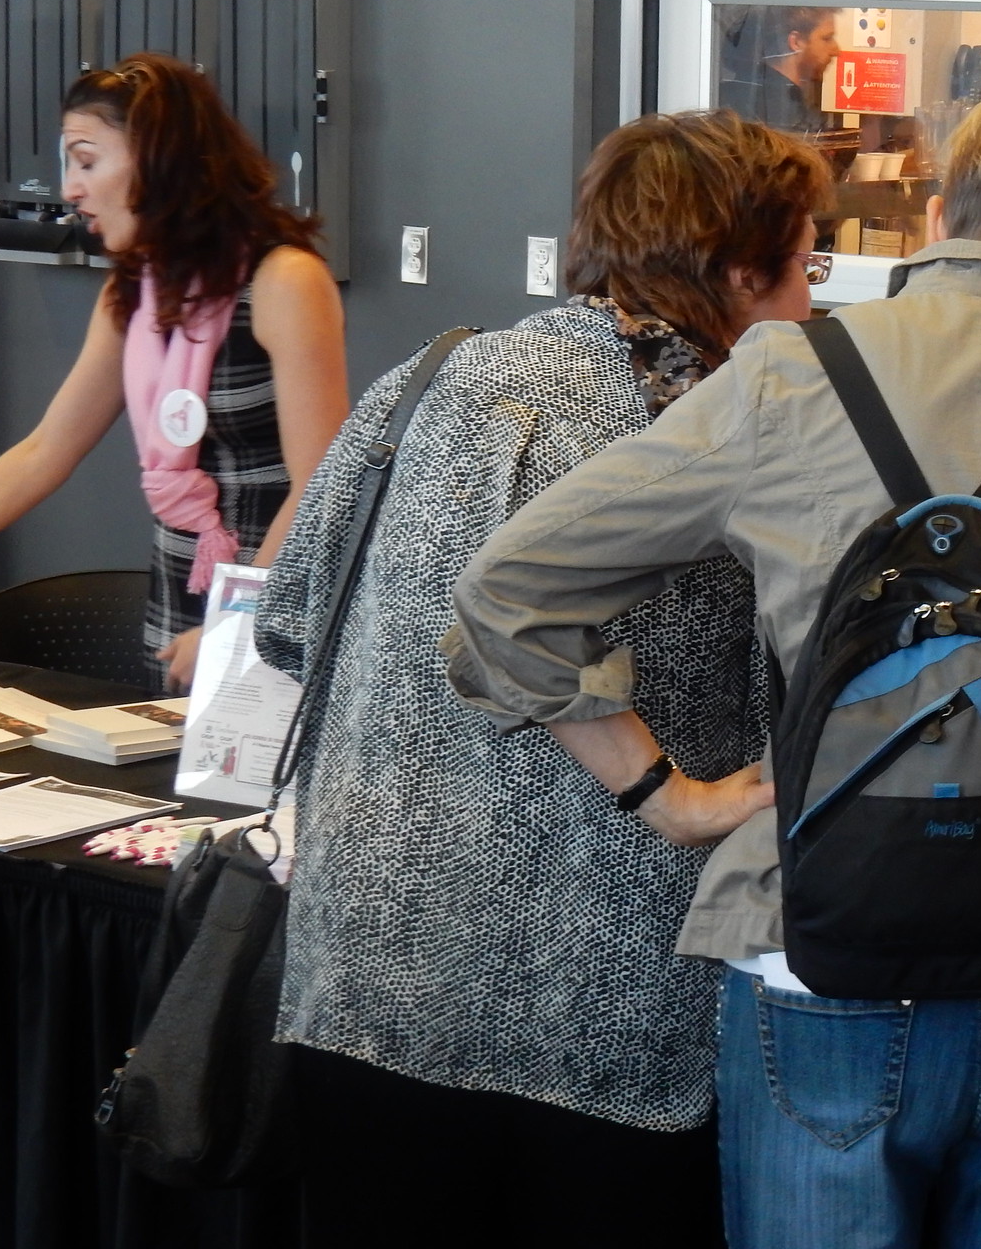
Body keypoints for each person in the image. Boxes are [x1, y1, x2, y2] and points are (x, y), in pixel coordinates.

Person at [445, 81, 981, 1249]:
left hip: (820, 945)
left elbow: (509, 592)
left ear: (942, 213)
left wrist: (664, 793)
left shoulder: (785, 378)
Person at [253, 109, 830, 1246]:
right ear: (737, 273)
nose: (812, 306)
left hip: (367, 970)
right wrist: (670, 794)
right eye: (805, 269)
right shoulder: (715, 435)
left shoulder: (427, 377)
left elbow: (288, 625)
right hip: (603, 1005)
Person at [0, 52, 347, 689]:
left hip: (274, 618)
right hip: (180, 611)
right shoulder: (134, 290)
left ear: (160, 160)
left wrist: (236, 624)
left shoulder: (285, 280)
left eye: (87, 161)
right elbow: (44, 452)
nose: (70, 189)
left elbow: (321, 487)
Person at [720, 5, 840, 133]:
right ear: (796, 42)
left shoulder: (740, 96)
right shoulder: (777, 112)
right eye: (827, 38)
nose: (836, 50)